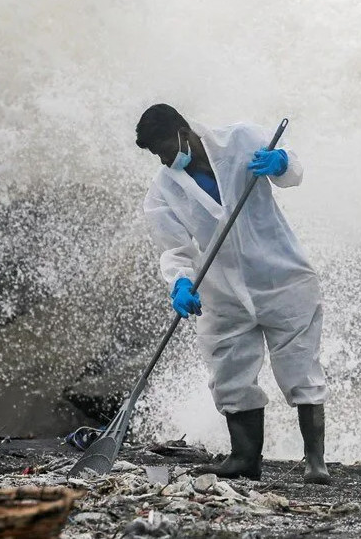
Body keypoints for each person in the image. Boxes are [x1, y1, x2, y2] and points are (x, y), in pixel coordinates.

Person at [134, 103, 330, 484]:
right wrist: (179, 281)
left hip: (281, 276)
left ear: (183, 131)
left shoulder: (241, 139)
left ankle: (315, 461)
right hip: (221, 289)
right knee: (229, 370)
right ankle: (244, 458)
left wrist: (280, 163)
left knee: (300, 365)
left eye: (165, 148)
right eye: (157, 155)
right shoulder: (162, 191)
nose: (165, 159)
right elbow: (174, 250)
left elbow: (294, 169)